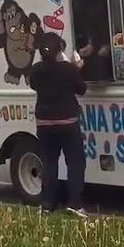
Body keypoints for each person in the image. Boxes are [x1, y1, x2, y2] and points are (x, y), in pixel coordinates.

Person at [29, 32, 88, 217]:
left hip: (45, 124)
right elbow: (82, 89)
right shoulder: (68, 69)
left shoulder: (36, 69)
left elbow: (34, 85)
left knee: (49, 163)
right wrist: (78, 68)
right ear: (60, 50)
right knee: (75, 163)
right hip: (68, 123)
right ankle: (74, 204)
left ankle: (47, 204)